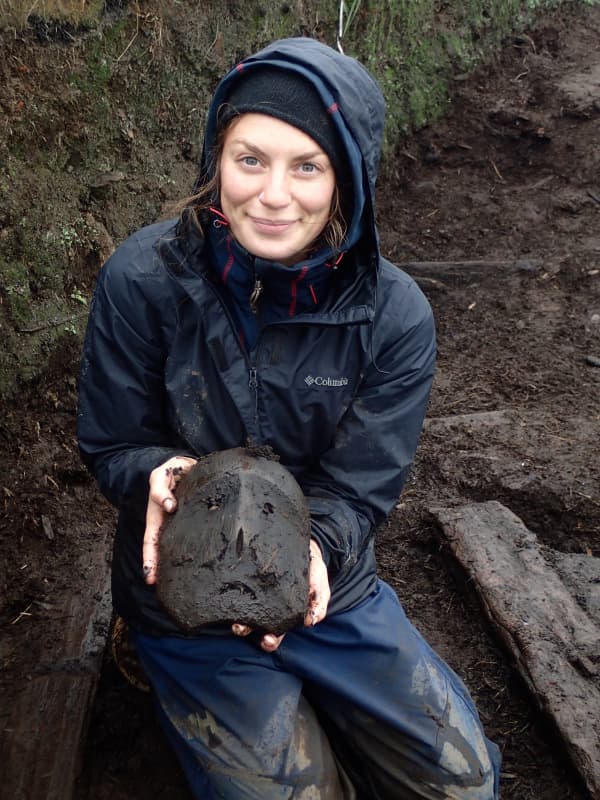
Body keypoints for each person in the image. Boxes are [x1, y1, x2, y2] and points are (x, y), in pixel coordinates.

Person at [77, 36, 501, 800]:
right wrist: (156, 475)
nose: (273, 195)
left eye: (307, 166)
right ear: (216, 159)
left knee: (463, 786)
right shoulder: (142, 281)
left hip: (333, 587)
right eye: (250, 160)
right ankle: (168, 667)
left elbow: (362, 483)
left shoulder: (394, 315)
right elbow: (112, 442)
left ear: (348, 180)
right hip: (185, 599)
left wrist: (317, 555)